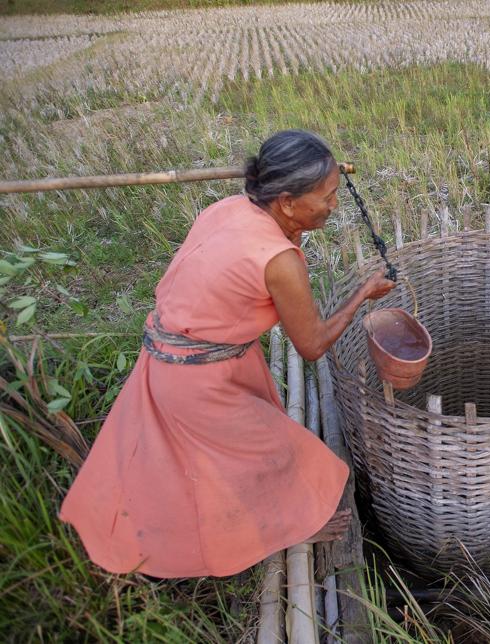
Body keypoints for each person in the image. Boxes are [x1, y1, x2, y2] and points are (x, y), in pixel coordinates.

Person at [59, 130, 395, 578]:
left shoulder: (228, 209)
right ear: (288, 202)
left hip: (171, 357)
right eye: (327, 197)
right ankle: (277, 528)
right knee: (274, 455)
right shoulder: (279, 260)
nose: (334, 207)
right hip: (196, 381)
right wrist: (362, 293)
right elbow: (311, 345)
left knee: (193, 461)